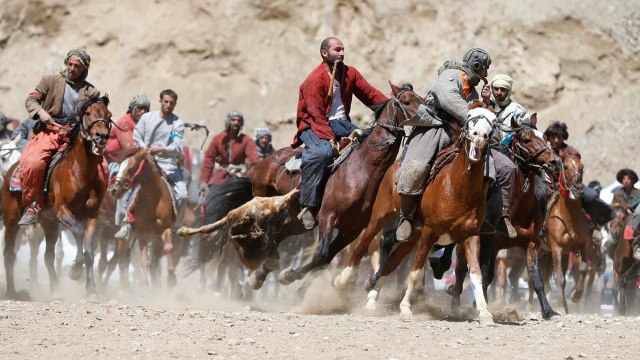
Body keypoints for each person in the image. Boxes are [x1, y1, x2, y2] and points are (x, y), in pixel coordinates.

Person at [395, 48, 506, 241]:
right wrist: (473, 116)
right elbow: (448, 99)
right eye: (484, 69)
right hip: (435, 127)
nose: (485, 75)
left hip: (460, 133)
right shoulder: (449, 76)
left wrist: (485, 101)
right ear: (476, 65)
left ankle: (479, 213)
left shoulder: (473, 92)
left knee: (486, 166)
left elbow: (479, 114)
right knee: (417, 166)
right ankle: (407, 216)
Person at [292, 36, 388, 229]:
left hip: (342, 124)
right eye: (337, 50)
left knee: (371, 147)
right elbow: (315, 113)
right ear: (324, 53)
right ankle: (307, 206)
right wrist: (329, 139)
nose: (342, 53)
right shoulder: (314, 78)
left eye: (343, 49)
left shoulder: (350, 73)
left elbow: (371, 95)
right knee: (322, 153)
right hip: (312, 125)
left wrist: (394, 106)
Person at [18, 48, 101, 225]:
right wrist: (41, 113)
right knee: (34, 163)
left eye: (76, 66)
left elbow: (95, 114)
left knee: (104, 166)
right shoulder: (50, 81)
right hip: (50, 131)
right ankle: (32, 205)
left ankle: (96, 207)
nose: (72, 68)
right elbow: (30, 100)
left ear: (84, 69)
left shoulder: (92, 92)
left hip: (77, 134)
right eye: (70, 64)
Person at [117, 89, 186, 239]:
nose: (168, 105)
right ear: (160, 101)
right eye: (165, 101)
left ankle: (176, 227)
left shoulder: (177, 124)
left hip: (167, 163)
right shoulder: (147, 118)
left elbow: (178, 145)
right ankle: (126, 222)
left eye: (171, 103)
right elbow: (137, 135)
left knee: (183, 195)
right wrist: (144, 149)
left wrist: (163, 149)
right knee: (126, 184)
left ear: (175, 104)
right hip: (144, 160)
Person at [198, 110, 259, 215]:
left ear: (241, 123)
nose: (236, 122)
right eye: (233, 120)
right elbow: (208, 160)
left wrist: (248, 174)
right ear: (228, 121)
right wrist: (203, 182)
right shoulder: (217, 139)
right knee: (212, 202)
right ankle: (211, 227)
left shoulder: (247, 140)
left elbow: (253, 161)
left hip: (239, 176)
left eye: (239, 120)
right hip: (220, 177)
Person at [105, 94, 150, 238]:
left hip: (137, 160)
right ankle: (123, 222)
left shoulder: (146, 124)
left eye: (146, 109)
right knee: (123, 181)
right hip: (116, 161)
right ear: (132, 109)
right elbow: (130, 147)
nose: (143, 112)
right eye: (139, 108)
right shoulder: (124, 122)